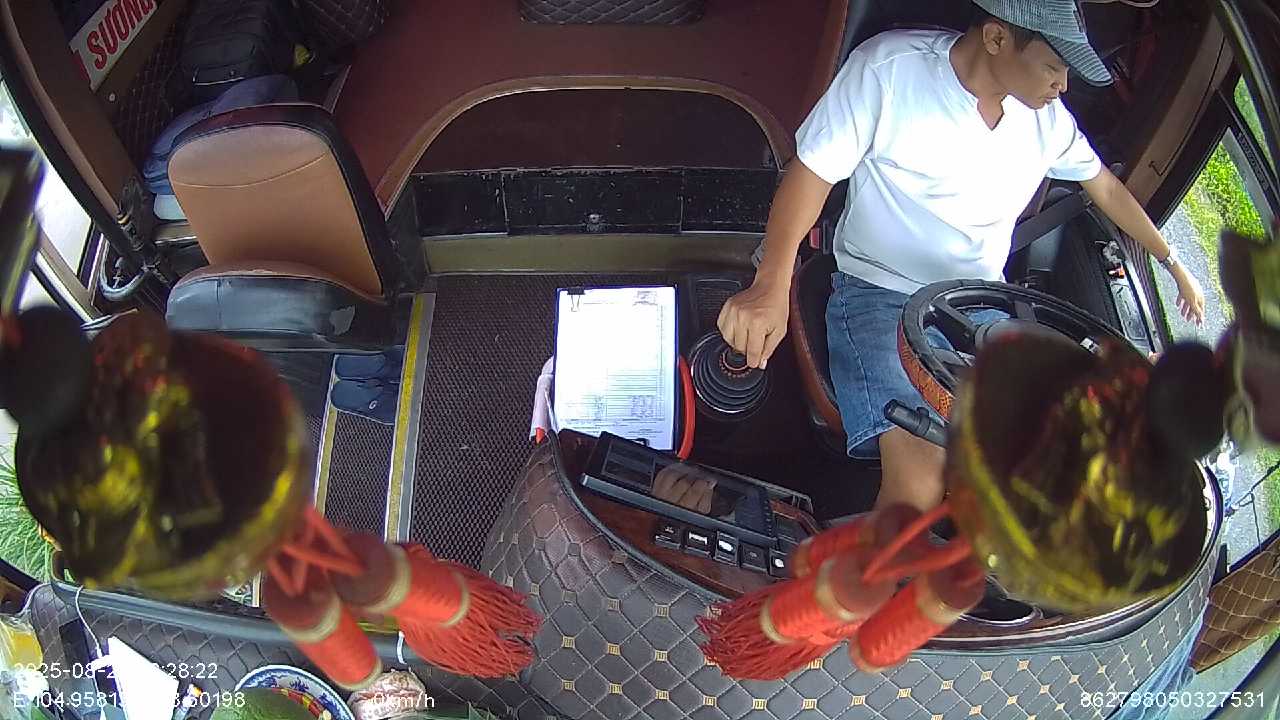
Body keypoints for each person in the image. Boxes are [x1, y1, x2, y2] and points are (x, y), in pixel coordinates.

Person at [717, 0, 1207, 513]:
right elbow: (811, 173)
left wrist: (1172, 261)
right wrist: (771, 283)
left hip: (976, 306)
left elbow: (1103, 186)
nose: (1062, 86)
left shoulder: (1048, 122)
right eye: (1053, 67)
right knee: (920, 484)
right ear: (996, 39)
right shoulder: (889, 71)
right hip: (878, 294)